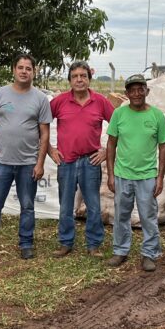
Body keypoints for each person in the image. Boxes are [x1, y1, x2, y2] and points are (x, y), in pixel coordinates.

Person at [0, 54, 51, 260]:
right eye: (20, 67)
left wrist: (40, 163)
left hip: (28, 163)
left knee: (27, 206)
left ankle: (26, 244)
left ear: (34, 72)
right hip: (1, 163)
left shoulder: (40, 99)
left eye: (28, 68)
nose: (24, 71)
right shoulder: (0, 94)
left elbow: (44, 133)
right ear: (13, 70)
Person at [49, 60, 114, 256]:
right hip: (66, 161)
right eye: (75, 76)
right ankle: (65, 242)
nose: (79, 80)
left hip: (90, 161)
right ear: (70, 80)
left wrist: (106, 152)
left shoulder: (100, 101)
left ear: (89, 79)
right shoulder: (59, 101)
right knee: (66, 205)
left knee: (93, 205)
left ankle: (93, 244)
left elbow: (119, 126)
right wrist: (50, 150)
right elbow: (40, 124)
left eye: (83, 76)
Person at [105, 73, 165, 272]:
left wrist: (160, 177)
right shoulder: (119, 114)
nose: (136, 94)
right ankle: (120, 250)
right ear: (126, 94)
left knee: (148, 217)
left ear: (147, 91)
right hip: (122, 175)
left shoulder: (157, 115)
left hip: (147, 176)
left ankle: (149, 253)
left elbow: (164, 146)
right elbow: (111, 144)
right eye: (132, 90)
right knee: (121, 216)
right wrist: (110, 174)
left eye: (140, 89)